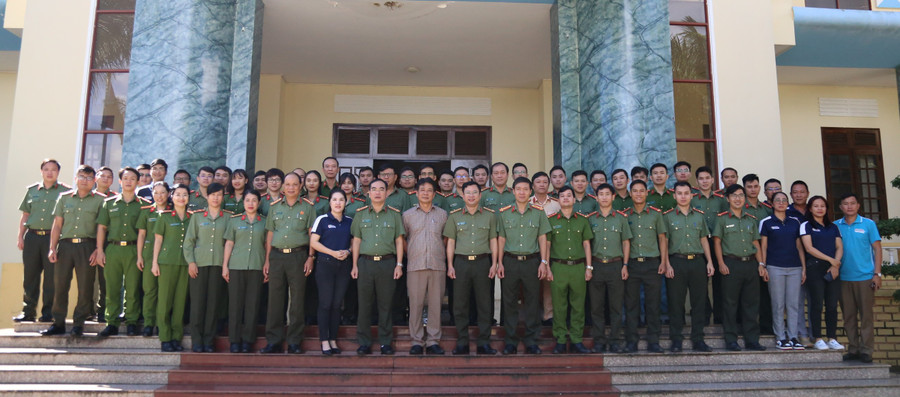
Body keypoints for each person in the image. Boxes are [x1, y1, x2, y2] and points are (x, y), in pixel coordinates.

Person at [41, 165, 105, 337]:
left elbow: (102, 227)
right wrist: (52, 248)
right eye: (82, 176)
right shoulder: (64, 198)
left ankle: (78, 323)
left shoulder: (101, 200)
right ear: (75, 178)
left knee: (85, 287)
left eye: (89, 178)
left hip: (87, 246)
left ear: (94, 181)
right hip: (66, 246)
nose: (85, 180)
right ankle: (58, 322)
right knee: (60, 285)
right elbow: (57, 225)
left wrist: (98, 249)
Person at [496, 177, 551, 355]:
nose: (521, 192)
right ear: (513, 191)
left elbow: (543, 238)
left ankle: (531, 340)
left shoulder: (538, 212)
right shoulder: (504, 213)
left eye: (525, 189)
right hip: (510, 261)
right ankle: (510, 341)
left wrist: (544, 262)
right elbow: (501, 239)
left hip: (532, 262)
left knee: (532, 302)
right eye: (518, 189)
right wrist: (499, 263)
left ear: (530, 192)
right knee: (509, 302)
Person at [262, 172, 316, 354]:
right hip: (277, 257)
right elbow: (270, 234)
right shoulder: (275, 207)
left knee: (297, 300)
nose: (291, 187)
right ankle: (274, 341)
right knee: (275, 300)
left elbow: (311, 235)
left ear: (301, 186)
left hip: (298, 256)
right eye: (288, 184)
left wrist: (311, 257)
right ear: (283, 186)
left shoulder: (308, 207)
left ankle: (294, 341)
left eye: (295, 184)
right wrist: (267, 260)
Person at [351, 179, 405, 356]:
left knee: (385, 304)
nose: (377, 192)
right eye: (374, 189)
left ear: (386, 193)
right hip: (365, 263)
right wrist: (354, 264)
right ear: (369, 193)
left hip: (387, 263)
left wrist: (399, 264)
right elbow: (356, 240)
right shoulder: (360, 214)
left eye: (381, 189)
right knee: (364, 305)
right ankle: (364, 342)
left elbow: (399, 241)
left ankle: (385, 342)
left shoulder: (394, 214)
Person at [444, 181, 498, 355]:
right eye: (468, 193)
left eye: (475, 192)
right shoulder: (454, 216)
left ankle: (484, 343)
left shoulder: (489, 216)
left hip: (483, 263)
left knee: (484, 304)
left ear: (480, 195)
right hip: (461, 263)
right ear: (463, 195)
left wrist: (494, 263)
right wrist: (450, 265)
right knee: (460, 304)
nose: (472, 196)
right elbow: (450, 242)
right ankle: (462, 342)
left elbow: (493, 241)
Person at [714, 184, 767, 351]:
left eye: (741, 195)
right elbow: (717, 242)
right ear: (727, 198)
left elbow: (755, 242)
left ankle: (752, 339)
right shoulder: (722, 219)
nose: (738, 199)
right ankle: (731, 339)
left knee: (751, 303)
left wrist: (761, 264)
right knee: (730, 304)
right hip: (731, 264)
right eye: (734, 196)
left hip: (750, 264)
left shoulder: (750, 219)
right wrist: (721, 263)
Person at [95, 167, 146, 337]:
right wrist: (100, 250)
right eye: (125, 178)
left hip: (133, 249)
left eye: (133, 178)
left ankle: (131, 321)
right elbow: (102, 228)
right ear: (120, 181)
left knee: (132, 287)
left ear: (138, 182)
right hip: (113, 249)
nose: (129, 181)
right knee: (112, 287)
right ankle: (112, 322)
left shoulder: (144, 206)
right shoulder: (109, 203)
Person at [16, 159, 68, 323]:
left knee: (51, 278)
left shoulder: (64, 192)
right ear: (41, 171)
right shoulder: (32, 191)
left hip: (51, 239)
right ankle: (28, 311)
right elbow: (25, 215)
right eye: (46, 169)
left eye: (53, 169)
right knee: (30, 276)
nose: (50, 172)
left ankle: (48, 313)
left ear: (58, 172)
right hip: (32, 237)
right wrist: (20, 236)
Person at [664, 181, 714, 352]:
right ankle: (676, 339)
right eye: (680, 193)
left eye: (686, 193)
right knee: (676, 303)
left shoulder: (699, 216)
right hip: (676, 262)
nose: (683, 196)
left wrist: (710, 261)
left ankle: (698, 338)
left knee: (699, 302)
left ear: (692, 195)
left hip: (697, 262)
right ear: (674, 195)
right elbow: (664, 242)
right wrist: (666, 264)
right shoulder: (668, 216)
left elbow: (703, 240)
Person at [402, 178, 448, 355]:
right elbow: (403, 239)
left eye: (430, 190)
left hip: (437, 264)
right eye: (422, 190)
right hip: (415, 265)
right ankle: (416, 341)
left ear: (434, 194)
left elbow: (446, 238)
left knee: (436, 304)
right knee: (416, 304)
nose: (426, 193)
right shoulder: (408, 215)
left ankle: (433, 341)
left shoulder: (443, 214)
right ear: (416, 193)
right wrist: (412, 253)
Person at [835, 193, 882, 364]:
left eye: (852, 203)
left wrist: (877, 274)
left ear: (858, 205)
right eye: (845, 204)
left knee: (866, 316)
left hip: (865, 278)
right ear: (840, 207)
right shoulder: (835, 226)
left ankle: (866, 351)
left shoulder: (868, 224)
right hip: (843, 278)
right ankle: (853, 348)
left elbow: (877, 249)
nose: (849, 206)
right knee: (849, 316)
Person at [182, 183, 228, 352]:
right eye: (212, 195)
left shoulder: (228, 217)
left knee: (213, 304)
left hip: (218, 265)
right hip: (199, 265)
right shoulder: (197, 217)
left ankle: (208, 341)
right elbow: (188, 242)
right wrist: (191, 262)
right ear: (207, 197)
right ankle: (197, 340)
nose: (215, 198)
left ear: (223, 197)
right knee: (198, 304)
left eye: (219, 195)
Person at [546, 187, 593, 354]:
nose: (565, 198)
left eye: (569, 196)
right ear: (558, 200)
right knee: (559, 306)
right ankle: (559, 340)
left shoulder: (582, 220)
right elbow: (548, 245)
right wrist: (547, 267)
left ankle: (576, 340)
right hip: (558, 267)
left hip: (578, 267)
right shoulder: (551, 220)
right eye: (562, 196)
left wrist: (589, 267)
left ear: (574, 200)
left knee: (578, 306)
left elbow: (587, 245)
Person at [623, 180, 667, 353]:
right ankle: (631, 341)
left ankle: (653, 341)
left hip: (652, 264)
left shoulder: (656, 214)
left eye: (642, 191)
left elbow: (662, 239)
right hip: (632, 264)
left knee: (653, 304)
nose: (639, 194)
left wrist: (663, 261)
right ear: (630, 193)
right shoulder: (625, 215)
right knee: (631, 304)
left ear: (646, 193)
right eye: (635, 191)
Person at [586, 183, 631, 354]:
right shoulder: (590, 219)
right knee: (596, 307)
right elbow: (587, 244)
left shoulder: (621, 218)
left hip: (615, 266)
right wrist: (589, 267)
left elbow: (626, 242)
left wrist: (625, 265)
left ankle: (614, 340)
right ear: (596, 197)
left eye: (607, 194)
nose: (604, 197)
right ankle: (599, 341)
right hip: (596, 265)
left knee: (616, 306)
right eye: (601, 194)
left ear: (613, 197)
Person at [759, 191, 806, 350]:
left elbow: (800, 246)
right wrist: (763, 265)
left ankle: (793, 336)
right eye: (777, 200)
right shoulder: (766, 222)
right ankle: (780, 337)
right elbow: (763, 246)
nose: (781, 203)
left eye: (784, 200)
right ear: (772, 203)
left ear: (788, 203)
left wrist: (803, 268)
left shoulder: (795, 222)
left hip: (795, 267)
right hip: (775, 267)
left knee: (793, 304)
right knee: (778, 303)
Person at [222, 190, 267, 353]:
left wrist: (266, 264)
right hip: (236, 266)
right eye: (247, 200)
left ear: (259, 203)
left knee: (252, 305)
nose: (250, 203)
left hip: (256, 266)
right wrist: (225, 265)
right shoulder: (234, 221)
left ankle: (248, 340)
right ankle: (234, 340)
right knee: (235, 305)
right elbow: (229, 244)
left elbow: (266, 246)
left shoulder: (265, 222)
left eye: (254, 200)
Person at [310, 189, 354, 355]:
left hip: (343, 266)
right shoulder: (322, 220)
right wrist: (332, 253)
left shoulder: (350, 221)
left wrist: (348, 252)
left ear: (345, 202)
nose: (338, 203)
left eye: (341, 200)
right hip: (325, 265)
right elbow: (314, 242)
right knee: (325, 303)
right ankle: (324, 341)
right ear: (329, 202)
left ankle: (333, 340)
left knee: (337, 305)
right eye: (334, 199)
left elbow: (355, 242)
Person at [800, 195, 844, 351]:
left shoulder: (833, 227)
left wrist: (835, 264)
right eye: (816, 206)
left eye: (823, 206)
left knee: (832, 305)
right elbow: (809, 248)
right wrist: (831, 260)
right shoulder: (806, 225)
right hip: (815, 267)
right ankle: (818, 338)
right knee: (817, 304)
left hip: (833, 269)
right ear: (810, 209)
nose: (820, 209)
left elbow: (839, 247)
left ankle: (832, 338)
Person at [151, 183, 192, 352]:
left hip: (185, 263)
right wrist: (154, 262)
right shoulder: (164, 216)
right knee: (165, 301)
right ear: (172, 197)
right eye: (178, 194)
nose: (181, 198)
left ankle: (176, 337)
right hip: (166, 262)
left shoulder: (193, 217)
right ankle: (165, 337)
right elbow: (158, 240)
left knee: (180, 302)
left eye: (184, 195)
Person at [136, 181, 171, 337]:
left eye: (162, 192)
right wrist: (139, 256)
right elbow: (142, 235)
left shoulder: (173, 211)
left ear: (168, 194)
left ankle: (161, 322)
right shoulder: (146, 212)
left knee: (165, 291)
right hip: (149, 254)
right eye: (156, 193)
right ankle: (149, 323)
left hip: (168, 254)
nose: (159, 196)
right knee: (149, 290)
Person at [743, 173, 773, 332]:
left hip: (766, 255)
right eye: (749, 187)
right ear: (744, 188)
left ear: (760, 188)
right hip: (746, 254)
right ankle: (746, 326)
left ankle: (766, 326)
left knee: (765, 292)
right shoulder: (739, 208)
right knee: (747, 295)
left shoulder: (768, 209)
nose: (753, 190)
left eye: (755, 186)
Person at [786, 180, 812, 346]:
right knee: (797, 301)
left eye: (802, 191)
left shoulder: (814, 209)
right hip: (795, 261)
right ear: (791, 195)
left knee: (814, 301)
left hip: (816, 261)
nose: (799, 195)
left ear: (807, 193)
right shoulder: (787, 212)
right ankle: (801, 334)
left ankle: (815, 335)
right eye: (795, 192)